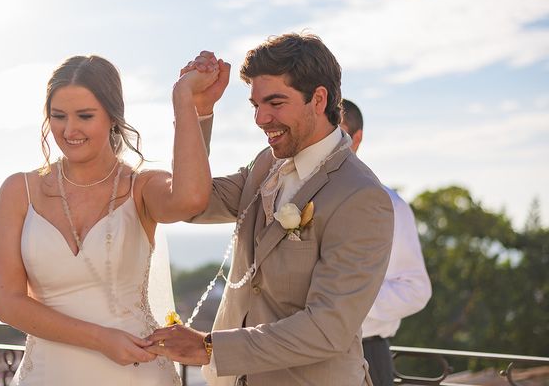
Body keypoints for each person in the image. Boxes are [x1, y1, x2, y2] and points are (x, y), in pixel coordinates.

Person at [147, 33, 394, 386]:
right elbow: (193, 204)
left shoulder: (361, 196)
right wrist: (196, 109)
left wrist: (209, 348)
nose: (261, 119)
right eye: (255, 105)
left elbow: (328, 329)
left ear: (319, 99)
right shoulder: (266, 164)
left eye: (275, 103)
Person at [0, 55, 218, 386]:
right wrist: (100, 339)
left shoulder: (140, 187)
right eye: (58, 117)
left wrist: (186, 101)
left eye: (85, 116)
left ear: (112, 116)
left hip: (135, 373)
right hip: (48, 374)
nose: (69, 130)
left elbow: (190, 198)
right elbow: (9, 304)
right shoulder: (18, 190)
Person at [340, 99, 432, 386]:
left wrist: (345, 304)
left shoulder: (389, 205)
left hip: (366, 353)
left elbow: (416, 289)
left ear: (358, 138)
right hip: (298, 353)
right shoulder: (298, 198)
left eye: (339, 134)